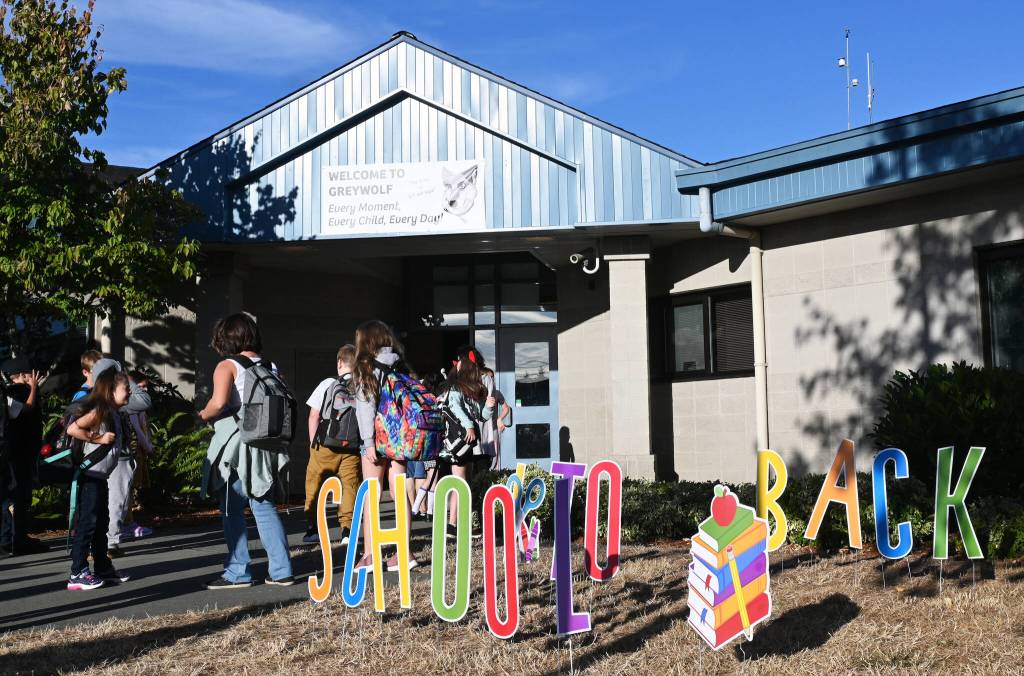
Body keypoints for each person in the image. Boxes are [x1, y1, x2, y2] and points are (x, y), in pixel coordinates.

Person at [197, 313, 294, 589]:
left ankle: (238, 571)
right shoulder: (270, 365)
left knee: (231, 507)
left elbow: (218, 403)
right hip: (266, 445)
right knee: (263, 506)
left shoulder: (227, 366)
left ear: (225, 338)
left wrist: (204, 414)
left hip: (238, 448)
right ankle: (281, 569)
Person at [352, 320, 419, 572]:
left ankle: (370, 555)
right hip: (401, 438)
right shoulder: (402, 365)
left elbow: (366, 406)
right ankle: (404, 552)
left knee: (372, 494)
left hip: (377, 440)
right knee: (399, 492)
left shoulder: (367, 367)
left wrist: (368, 442)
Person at [75, 356, 153, 559]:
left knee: (103, 507)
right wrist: (99, 438)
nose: (128, 389)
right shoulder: (106, 405)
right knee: (113, 503)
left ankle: (100, 550)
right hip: (107, 464)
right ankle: (105, 546)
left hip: (102, 463)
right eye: (123, 384)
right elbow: (145, 400)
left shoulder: (100, 402)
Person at [64, 369, 133, 590]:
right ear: (111, 391)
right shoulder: (101, 410)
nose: (130, 392)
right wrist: (99, 437)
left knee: (101, 523)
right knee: (88, 524)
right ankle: (78, 572)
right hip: (90, 477)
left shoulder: (114, 412)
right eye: (126, 388)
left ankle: (102, 566)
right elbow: (74, 429)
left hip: (100, 477)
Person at [302, 344, 361, 545]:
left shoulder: (328, 383)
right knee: (350, 487)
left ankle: (312, 529)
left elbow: (314, 415)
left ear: (339, 362)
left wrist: (313, 444)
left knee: (314, 484)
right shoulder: (362, 385)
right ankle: (347, 530)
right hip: (352, 446)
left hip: (326, 444)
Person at [444, 346, 495, 538]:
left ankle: (458, 524)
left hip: (469, 441)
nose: (457, 364)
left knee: (465, 481)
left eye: (460, 361)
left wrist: (489, 408)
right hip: (460, 439)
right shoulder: (456, 386)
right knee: (460, 480)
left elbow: (481, 416)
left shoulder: (474, 387)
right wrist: (469, 426)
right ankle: (453, 524)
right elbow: (454, 406)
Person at [0, 357, 46, 555]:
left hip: (17, 452)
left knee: (18, 496)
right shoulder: (15, 392)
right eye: (28, 374)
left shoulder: (7, 394)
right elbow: (27, 409)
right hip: (18, 453)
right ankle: (15, 539)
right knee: (17, 496)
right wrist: (33, 388)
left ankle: (16, 537)